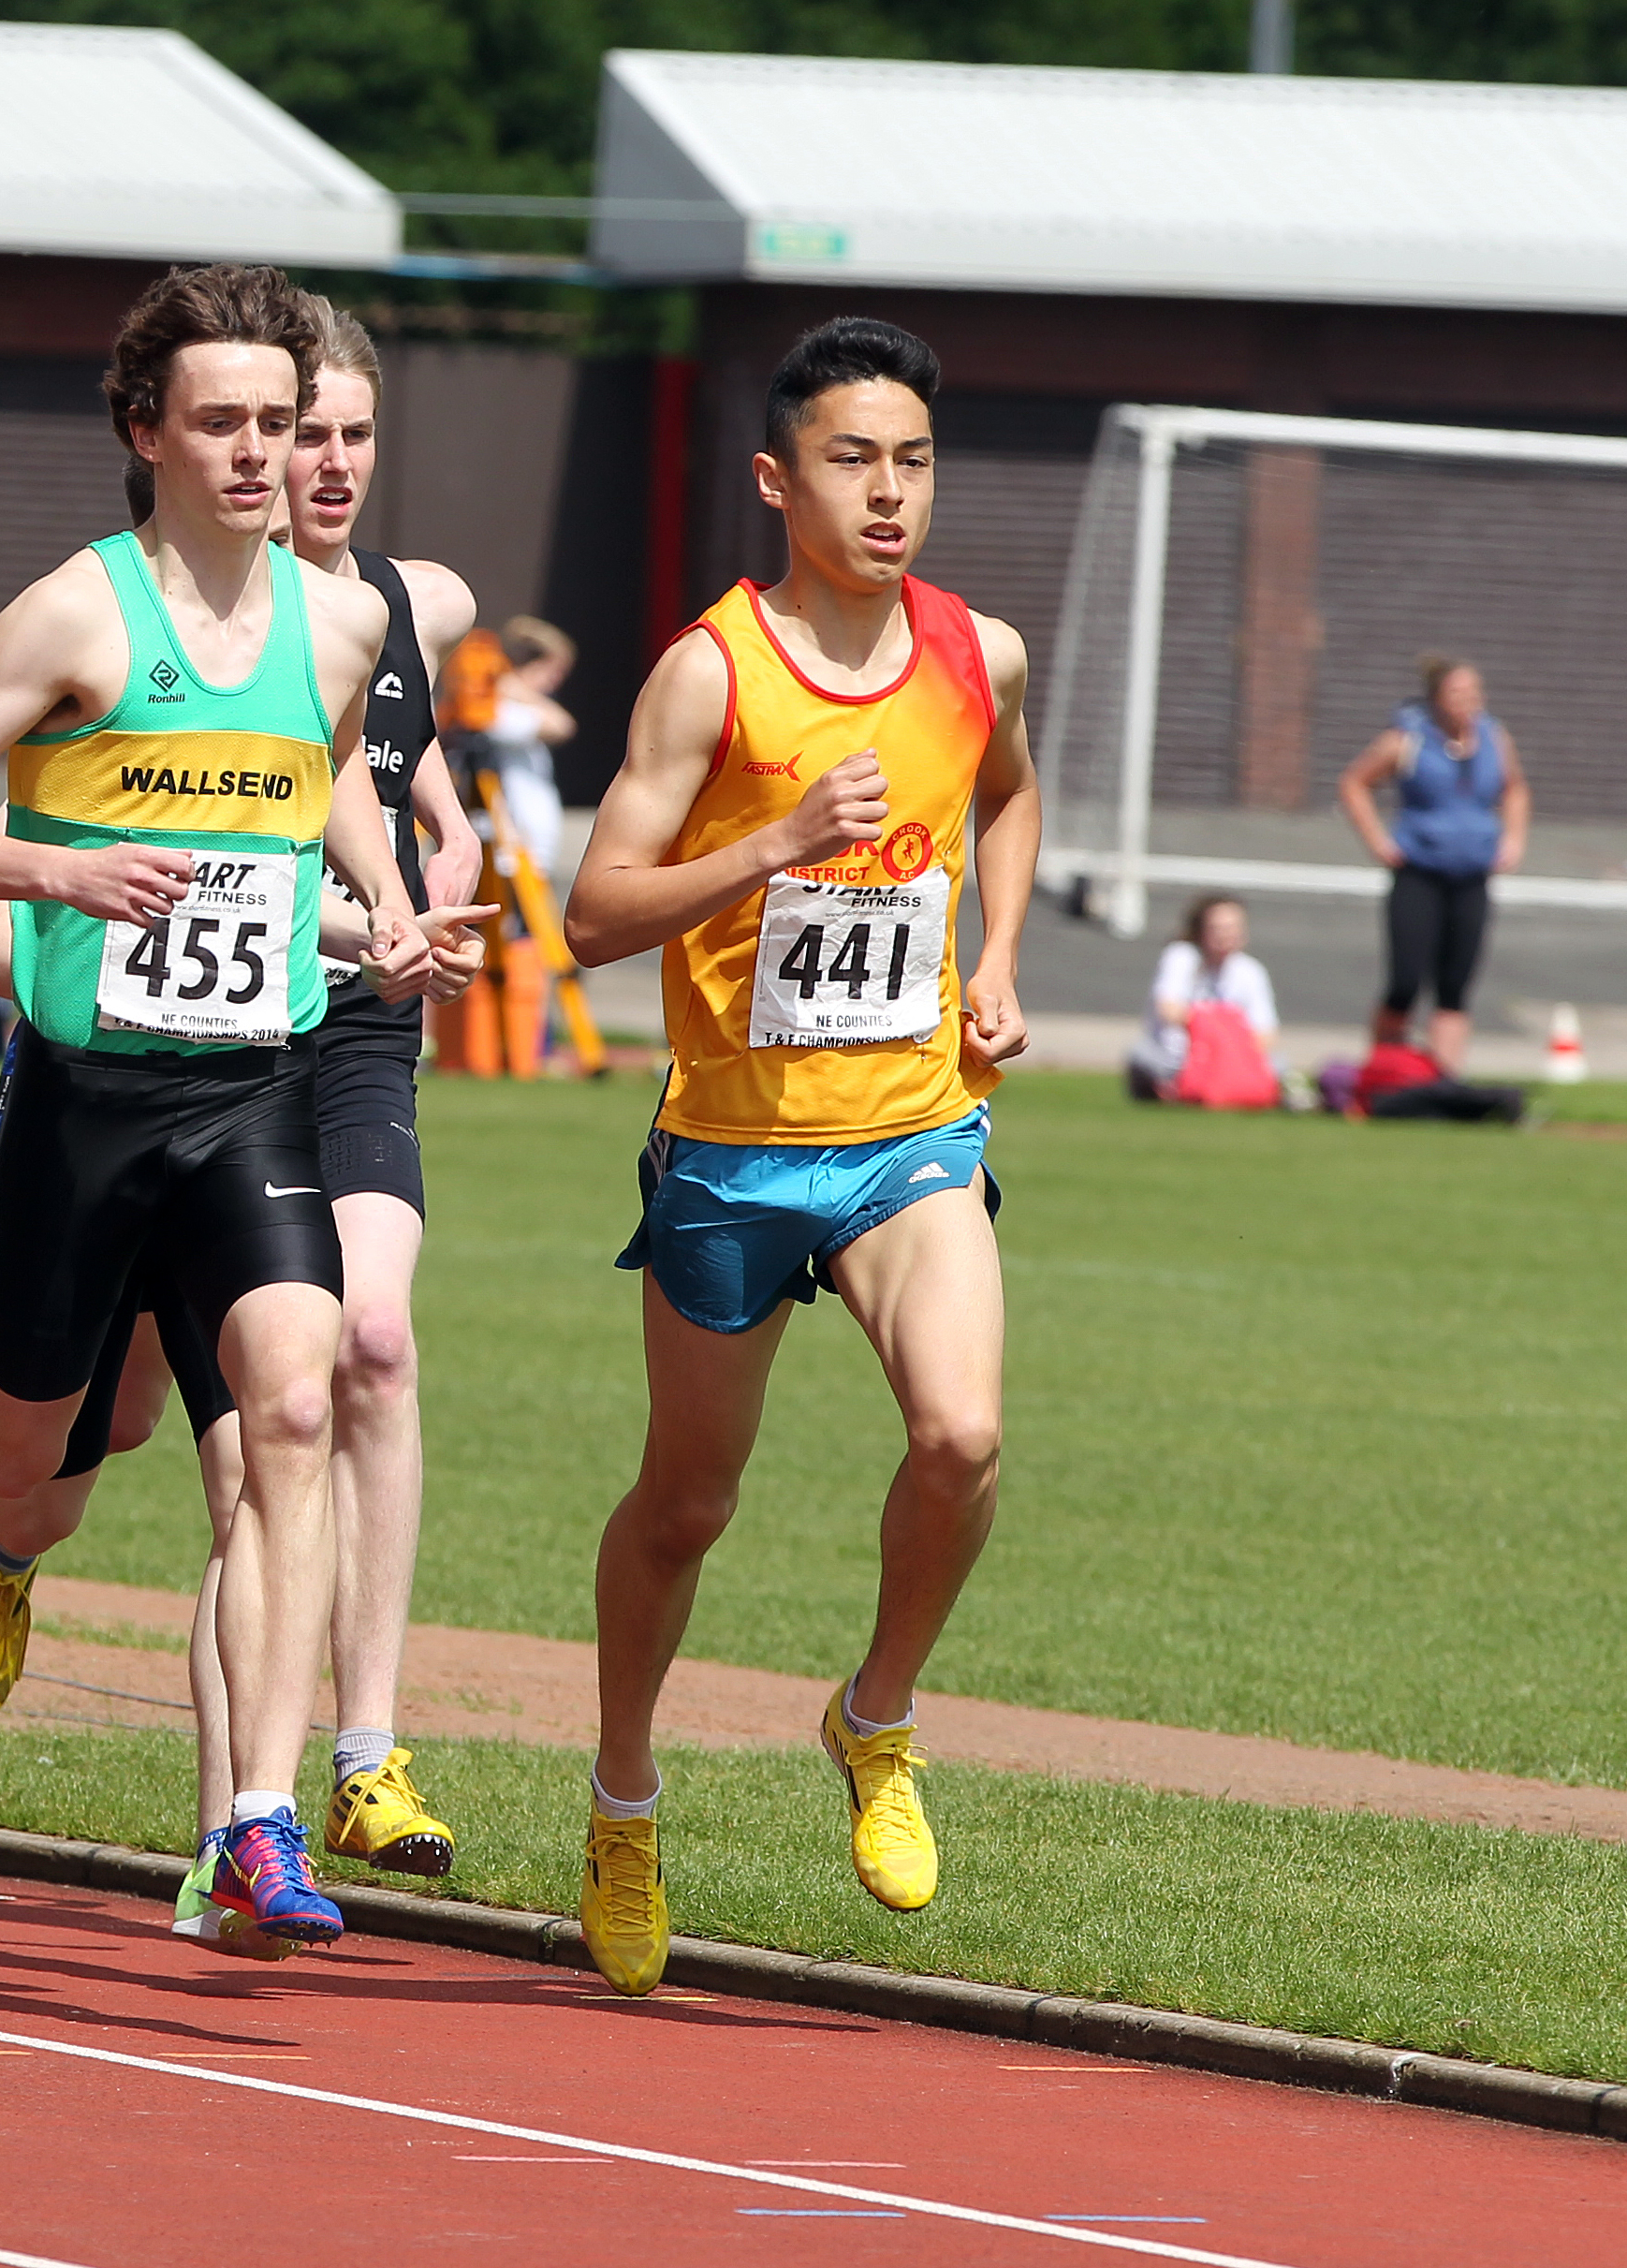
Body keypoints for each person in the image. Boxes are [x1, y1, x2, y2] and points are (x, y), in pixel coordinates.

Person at [0, 261, 435, 1949]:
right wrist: (56, 870)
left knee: (292, 1410)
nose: (258, 453)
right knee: (30, 1460)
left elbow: (316, 791)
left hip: (252, 1092)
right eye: (222, 422)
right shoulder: (73, 618)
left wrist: (384, 903)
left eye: (277, 422)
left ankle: (256, 1814)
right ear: (145, 431)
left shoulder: (343, 623)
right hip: (86, 1104)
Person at [562, 315, 1038, 1997]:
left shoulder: (978, 648)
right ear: (776, 479)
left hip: (906, 1133)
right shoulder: (709, 671)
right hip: (727, 1157)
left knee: (963, 1432)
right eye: (852, 457)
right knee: (687, 1502)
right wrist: (775, 839)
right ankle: (623, 1795)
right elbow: (588, 915)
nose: (887, 489)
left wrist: (991, 958)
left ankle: (875, 1715)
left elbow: (1000, 796)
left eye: (910, 459)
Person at [1338, 656, 1531, 1077]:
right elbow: (1354, 782)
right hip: (1420, 872)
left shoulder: (1494, 737)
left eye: (1474, 692)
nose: (1468, 702)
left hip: (1471, 875)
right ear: (1436, 698)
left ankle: (1443, 1081)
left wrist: (1513, 840)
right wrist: (1378, 841)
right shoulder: (1408, 739)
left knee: (1454, 988)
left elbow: (1514, 788)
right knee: (1406, 982)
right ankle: (1384, 1075)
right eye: (1457, 693)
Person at [1125, 893, 1278, 1102]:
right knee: (1143, 1056)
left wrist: (1228, 1046)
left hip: (1231, 1057)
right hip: (1181, 1055)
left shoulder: (1250, 971)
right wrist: (1215, 1027)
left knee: (1278, 1063)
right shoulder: (1181, 957)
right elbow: (1168, 1009)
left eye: (1232, 927)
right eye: (1217, 928)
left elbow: (1266, 1033)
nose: (1225, 935)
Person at [477, 617, 578, 882]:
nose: (555, 683)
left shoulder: (520, 704)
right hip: (509, 843)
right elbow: (561, 725)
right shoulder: (498, 710)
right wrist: (508, 684)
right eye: (552, 672)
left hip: (532, 846)